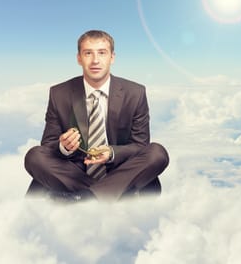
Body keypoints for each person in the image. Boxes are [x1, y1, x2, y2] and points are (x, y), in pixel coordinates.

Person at [24, 30, 169, 202]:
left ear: (112, 58)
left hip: (120, 170)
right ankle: (104, 194)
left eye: (102, 53)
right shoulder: (59, 93)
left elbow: (139, 146)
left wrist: (112, 153)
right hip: (75, 173)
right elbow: (48, 147)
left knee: (157, 153)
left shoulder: (135, 93)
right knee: (34, 156)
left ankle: (86, 197)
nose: (95, 60)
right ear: (79, 58)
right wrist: (64, 147)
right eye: (88, 53)